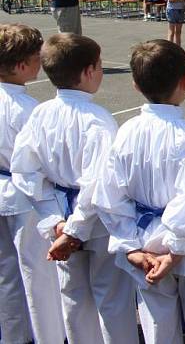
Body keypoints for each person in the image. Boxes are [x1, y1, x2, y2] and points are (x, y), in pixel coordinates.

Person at [93, 40, 185, 344]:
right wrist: (176, 250)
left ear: (135, 85)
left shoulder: (125, 131)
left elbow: (109, 196)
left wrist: (130, 245)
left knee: (157, 322)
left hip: (144, 244)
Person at [10, 33, 137, 344]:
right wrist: (72, 230)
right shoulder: (97, 121)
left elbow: (25, 171)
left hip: (62, 219)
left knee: (73, 297)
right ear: (88, 72)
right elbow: (99, 183)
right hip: (94, 222)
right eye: (100, 66)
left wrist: (55, 220)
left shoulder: (41, 113)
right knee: (111, 299)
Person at [0, 24, 65, 344]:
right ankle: (48, 336)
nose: (41, 63)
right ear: (22, 65)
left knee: (6, 274)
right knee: (37, 275)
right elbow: (42, 162)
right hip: (23, 195)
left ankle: (12, 334)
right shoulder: (27, 110)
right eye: (36, 58)